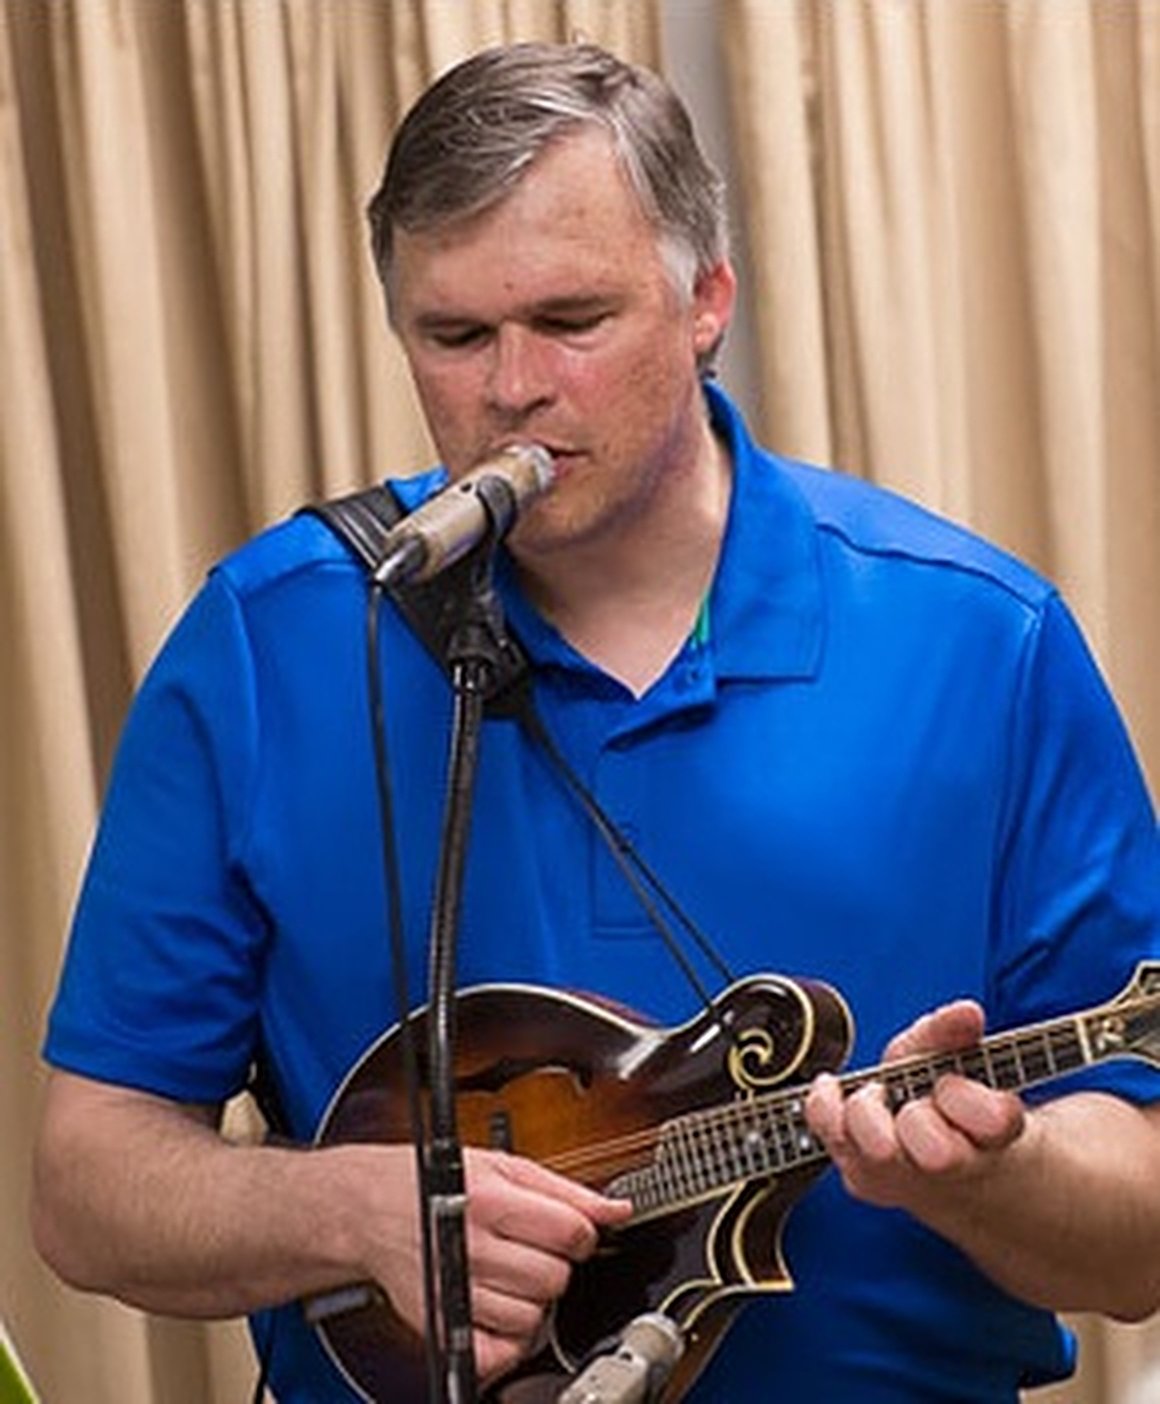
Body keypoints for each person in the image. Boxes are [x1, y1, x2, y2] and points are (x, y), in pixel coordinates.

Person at [32, 39, 1160, 1404]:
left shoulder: (983, 641)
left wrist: (998, 1175)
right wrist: (340, 1211)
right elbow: (86, 1184)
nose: (512, 387)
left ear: (706, 301)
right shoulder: (269, 641)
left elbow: (1140, 1233)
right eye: (454, 336)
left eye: (573, 321)